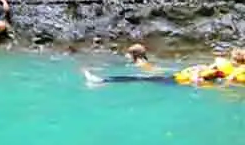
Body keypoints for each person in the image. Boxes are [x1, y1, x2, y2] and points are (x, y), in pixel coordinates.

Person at [84, 49, 245, 86]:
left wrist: (196, 71)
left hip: (176, 82)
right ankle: (104, 80)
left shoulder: (223, 70)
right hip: (176, 78)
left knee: (140, 78)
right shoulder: (225, 68)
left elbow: (199, 80)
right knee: (141, 79)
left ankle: (102, 80)